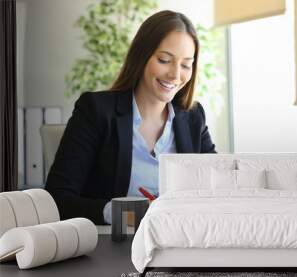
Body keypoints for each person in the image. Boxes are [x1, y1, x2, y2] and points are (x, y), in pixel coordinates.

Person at [45, 10, 216, 225]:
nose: (175, 75)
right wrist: (127, 213)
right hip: (112, 246)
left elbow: (218, 185)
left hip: (180, 242)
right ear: (142, 56)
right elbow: (56, 199)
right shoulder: (96, 110)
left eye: (185, 65)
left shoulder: (193, 117)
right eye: (164, 60)